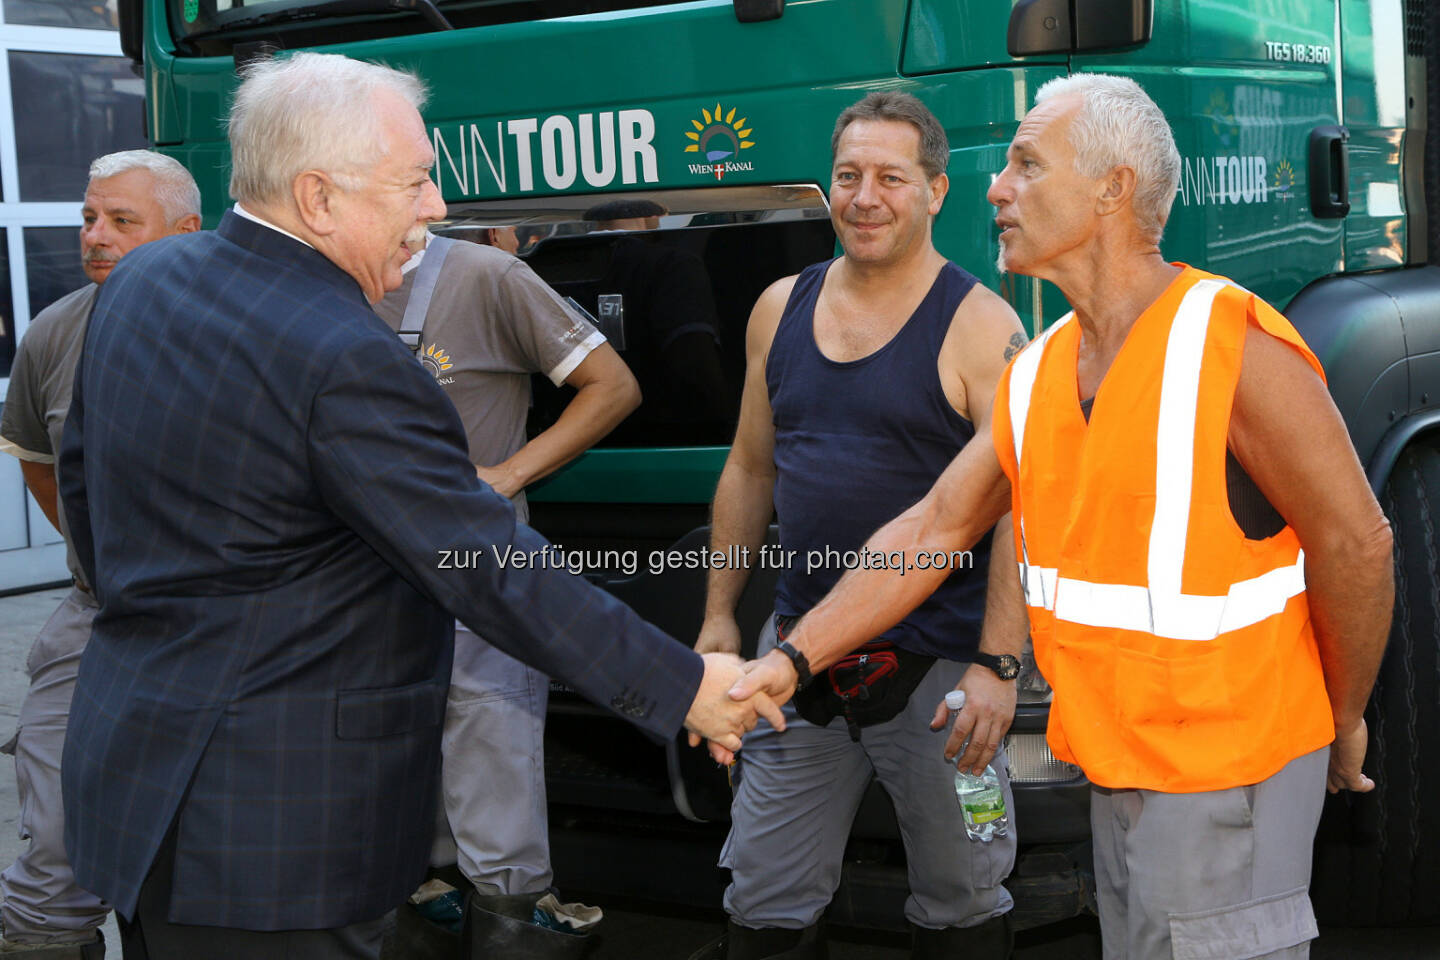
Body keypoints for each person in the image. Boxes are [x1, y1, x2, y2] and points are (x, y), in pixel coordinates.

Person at [55, 52, 779, 960]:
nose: (437, 208)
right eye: (416, 181)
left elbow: (86, 498)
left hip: (135, 787)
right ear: (318, 198)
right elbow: (486, 567)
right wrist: (686, 688)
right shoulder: (345, 356)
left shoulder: (143, 286)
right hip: (277, 837)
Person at [731, 75, 1393, 959]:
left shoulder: (1231, 344)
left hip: (1229, 778)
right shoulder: (1042, 368)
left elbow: (1358, 543)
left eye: (1025, 165)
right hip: (1118, 776)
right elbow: (933, 530)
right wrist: (793, 657)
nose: (997, 188)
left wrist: (1344, 713)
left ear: (1112, 190)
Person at [694, 91, 1027, 960]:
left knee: (964, 897)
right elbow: (750, 468)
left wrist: (998, 664)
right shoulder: (780, 309)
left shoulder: (983, 328)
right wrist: (720, 613)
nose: (865, 197)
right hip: (795, 658)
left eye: (890, 177)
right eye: (848, 177)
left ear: (936, 191)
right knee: (763, 895)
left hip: (940, 676)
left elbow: (1021, 517)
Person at [372, 225, 640, 956]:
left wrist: (511, 474)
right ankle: (424, 904)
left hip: (477, 576)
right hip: (365, 578)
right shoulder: (321, 278)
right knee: (390, 765)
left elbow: (613, 386)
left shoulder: (487, 277)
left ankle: (514, 923)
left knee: (492, 760)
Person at [0, 149, 202, 959]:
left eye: (122, 220)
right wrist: (97, 559)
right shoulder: (54, 332)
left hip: (218, 622)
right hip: (98, 616)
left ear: (187, 233)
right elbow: (40, 464)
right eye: (88, 217)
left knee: (197, 848)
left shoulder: (242, 326)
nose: (95, 236)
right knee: (52, 842)